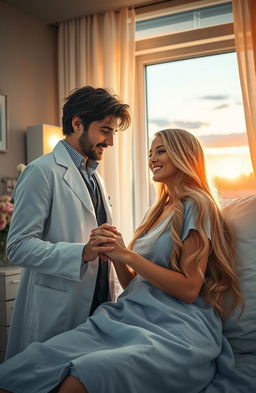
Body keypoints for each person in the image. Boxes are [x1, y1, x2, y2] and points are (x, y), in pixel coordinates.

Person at [0, 129, 244, 393]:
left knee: (82, 377)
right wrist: (115, 256)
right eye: (150, 153)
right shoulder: (157, 211)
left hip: (175, 327)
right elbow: (135, 286)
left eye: (161, 151)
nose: (152, 159)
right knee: (26, 366)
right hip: (130, 318)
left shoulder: (197, 205)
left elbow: (189, 289)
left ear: (184, 155)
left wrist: (128, 255)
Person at [5, 86, 130, 360]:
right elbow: (18, 247)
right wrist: (81, 253)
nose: (110, 141)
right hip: (57, 310)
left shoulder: (95, 177)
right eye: (105, 130)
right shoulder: (41, 171)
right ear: (77, 123)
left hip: (97, 307)